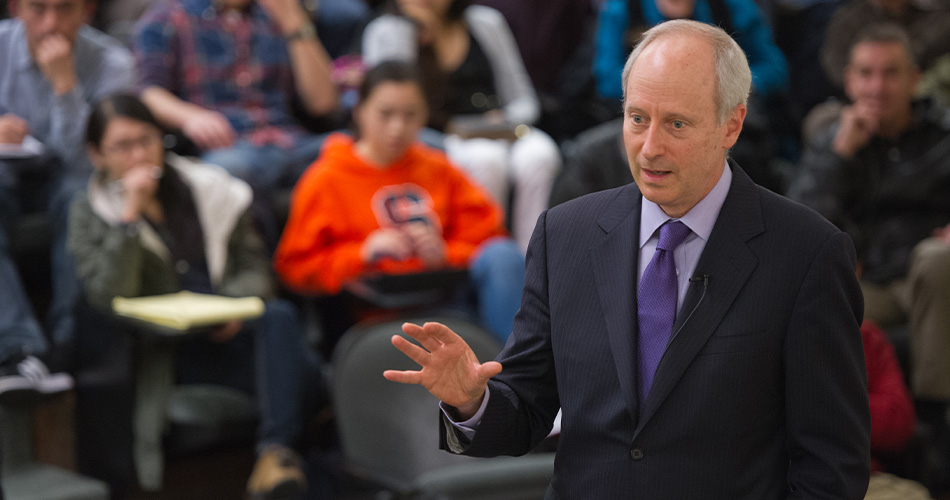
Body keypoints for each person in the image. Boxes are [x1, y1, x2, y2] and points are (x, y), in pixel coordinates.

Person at [384, 19, 871, 498]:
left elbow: (831, 467)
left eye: (676, 123)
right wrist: (473, 401)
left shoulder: (808, 253)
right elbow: (526, 410)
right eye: (637, 118)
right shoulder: (564, 234)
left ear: (732, 125)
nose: (649, 148)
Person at [67, 94, 325, 499]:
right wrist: (129, 219)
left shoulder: (207, 188)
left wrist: (235, 305)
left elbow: (252, 265)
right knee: (308, 377)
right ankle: (284, 461)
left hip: (230, 333)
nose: (138, 155)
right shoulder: (88, 211)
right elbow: (108, 293)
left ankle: (275, 456)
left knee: (279, 318)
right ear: (97, 154)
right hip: (170, 350)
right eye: (122, 146)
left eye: (147, 140)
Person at [274, 61, 525, 344]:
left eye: (410, 115)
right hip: (374, 316)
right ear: (359, 112)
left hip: (447, 300)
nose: (397, 127)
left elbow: (489, 237)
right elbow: (294, 270)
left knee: (504, 255)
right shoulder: (325, 179)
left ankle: (517, 374)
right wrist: (362, 254)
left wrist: (444, 253)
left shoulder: (439, 167)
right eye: (385, 114)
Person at [788, 24, 950, 426]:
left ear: (914, 78)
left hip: (928, 278)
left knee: (937, 260)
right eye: (865, 73)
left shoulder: (943, 136)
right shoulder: (832, 144)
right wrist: (841, 156)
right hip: (867, 280)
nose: (877, 87)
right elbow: (798, 227)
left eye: (890, 73)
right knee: (812, 294)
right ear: (848, 80)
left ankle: (933, 423)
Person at [362, 0, 561, 252]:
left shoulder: (486, 22)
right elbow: (391, 101)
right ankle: (486, 255)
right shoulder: (387, 30)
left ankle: (533, 261)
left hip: (499, 127)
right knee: (486, 159)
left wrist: (507, 118)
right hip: (438, 135)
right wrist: (410, 30)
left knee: (540, 155)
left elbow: (524, 98)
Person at [0, 0, 134, 368]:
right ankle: (18, 347)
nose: (50, 24)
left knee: (81, 192)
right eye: (38, 9)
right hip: (6, 178)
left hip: (70, 179)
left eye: (64, 10)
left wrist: (65, 85)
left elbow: (86, 159)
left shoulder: (112, 63)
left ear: (87, 11)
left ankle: (69, 342)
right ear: (15, 9)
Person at [132, 0, 339, 207]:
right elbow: (149, 93)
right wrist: (190, 117)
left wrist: (295, 22)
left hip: (289, 140)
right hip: (226, 143)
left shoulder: (276, 14)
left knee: (348, 151)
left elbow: (322, 103)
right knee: (227, 170)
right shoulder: (167, 18)